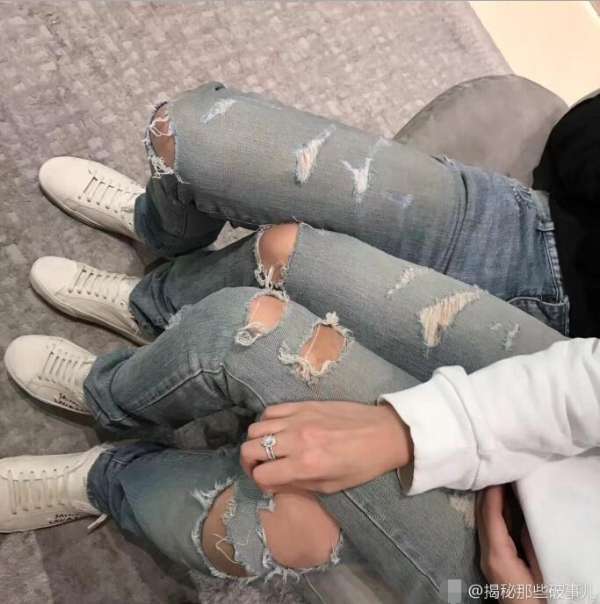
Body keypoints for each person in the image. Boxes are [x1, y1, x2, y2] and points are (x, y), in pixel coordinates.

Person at [2, 82, 597, 602]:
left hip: (540, 580)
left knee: (250, 362)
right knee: (203, 152)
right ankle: (151, 308)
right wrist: (419, 428)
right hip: (570, 383)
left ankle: (106, 467)